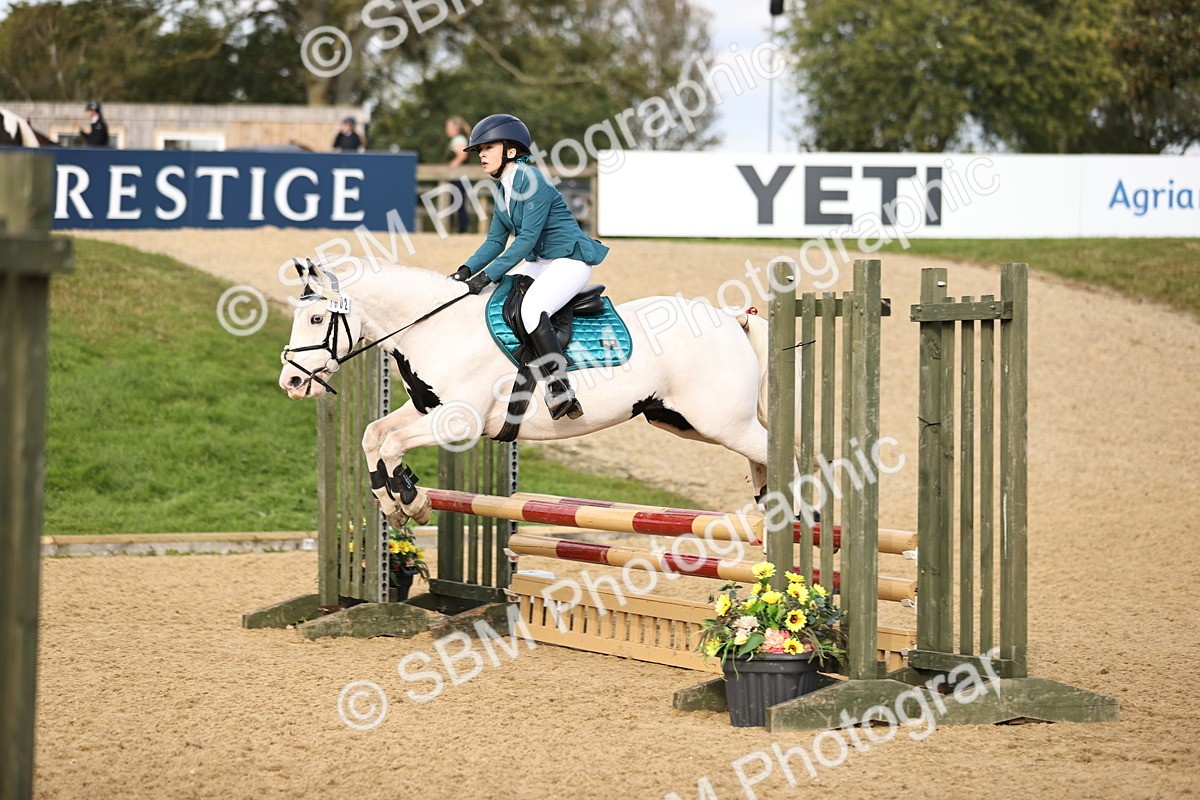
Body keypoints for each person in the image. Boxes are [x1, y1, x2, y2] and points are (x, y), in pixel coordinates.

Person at [450, 113, 608, 421]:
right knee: (499, 296)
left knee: (532, 309)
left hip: (569, 260)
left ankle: (560, 387)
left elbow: (525, 241)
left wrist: (487, 275)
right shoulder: (501, 189)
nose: (481, 154)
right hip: (541, 262)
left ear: (510, 150)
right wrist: (465, 271)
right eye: (479, 149)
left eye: (488, 147)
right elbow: (495, 241)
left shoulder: (532, 181)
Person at [444, 116, 472, 234]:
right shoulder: (459, 138)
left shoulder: (458, 139)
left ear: (455, 128)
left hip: (458, 176)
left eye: (448, 127)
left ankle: (461, 229)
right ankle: (460, 228)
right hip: (460, 176)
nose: (446, 130)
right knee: (458, 202)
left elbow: (462, 155)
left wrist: (452, 166)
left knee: (457, 202)